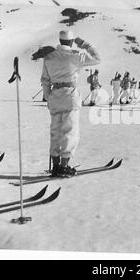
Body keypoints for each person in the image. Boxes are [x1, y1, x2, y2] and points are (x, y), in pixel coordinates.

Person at [41, 30, 100, 177]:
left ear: (60, 41)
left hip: (55, 96)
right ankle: (64, 166)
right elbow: (97, 58)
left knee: (55, 132)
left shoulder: (49, 57)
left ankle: (55, 166)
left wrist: (49, 97)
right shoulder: (75, 56)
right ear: (72, 41)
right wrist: (84, 44)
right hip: (70, 97)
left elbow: (45, 80)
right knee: (70, 132)